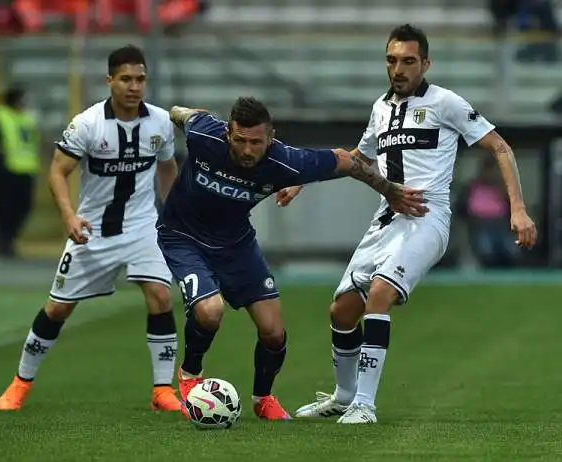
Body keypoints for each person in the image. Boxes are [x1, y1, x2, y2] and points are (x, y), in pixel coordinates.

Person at [294, 24, 538, 424]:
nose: (399, 69)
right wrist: (302, 180)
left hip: (427, 219)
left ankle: (365, 406)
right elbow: (358, 158)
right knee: (341, 311)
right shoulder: (380, 108)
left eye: (408, 61)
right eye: (392, 60)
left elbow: (500, 146)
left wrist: (518, 209)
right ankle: (343, 396)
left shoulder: (446, 103)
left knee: (379, 294)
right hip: (385, 220)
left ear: (425, 63)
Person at [159, 96, 429, 420]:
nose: (247, 150)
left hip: (236, 244)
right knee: (210, 310)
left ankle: (263, 398)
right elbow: (183, 114)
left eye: (256, 142)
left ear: (270, 138)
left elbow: (346, 160)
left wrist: (389, 190)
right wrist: (168, 117)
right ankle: (190, 376)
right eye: (240, 140)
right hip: (183, 237)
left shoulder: (285, 161)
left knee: (273, 332)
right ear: (227, 134)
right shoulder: (204, 134)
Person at [0, 45, 182, 412]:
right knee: (57, 310)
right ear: (109, 80)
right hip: (92, 231)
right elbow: (57, 171)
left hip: (143, 227)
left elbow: (167, 166)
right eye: (126, 79)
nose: (134, 86)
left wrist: (172, 213)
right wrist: (68, 216)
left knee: (160, 296)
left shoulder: (160, 122)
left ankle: (162, 391)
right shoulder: (87, 124)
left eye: (140, 79)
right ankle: (20, 383)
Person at [0, 85, 40, 258]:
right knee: (3, 207)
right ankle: (4, 242)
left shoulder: (27, 118)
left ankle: (9, 238)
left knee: (24, 206)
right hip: (4, 166)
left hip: (26, 167)